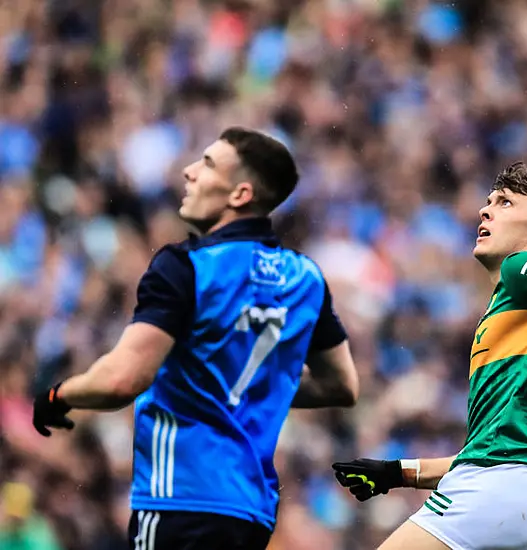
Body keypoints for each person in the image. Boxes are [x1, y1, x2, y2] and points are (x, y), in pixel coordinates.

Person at [31, 127, 360, 550]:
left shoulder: (185, 266)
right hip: (251, 513)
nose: (188, 172)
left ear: (240, 194)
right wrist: (247, 383)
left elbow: (122, 380)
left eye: (206, 164)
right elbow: (342, 385)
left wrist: (59, 395)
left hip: (178, 501)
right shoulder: (306, 279)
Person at [331, 162, 527, 550]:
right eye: (488, 202)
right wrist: (397, 472)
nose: (486, 210)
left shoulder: (520, 268)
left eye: (504, 203)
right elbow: (505, 449)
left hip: (501, 489)